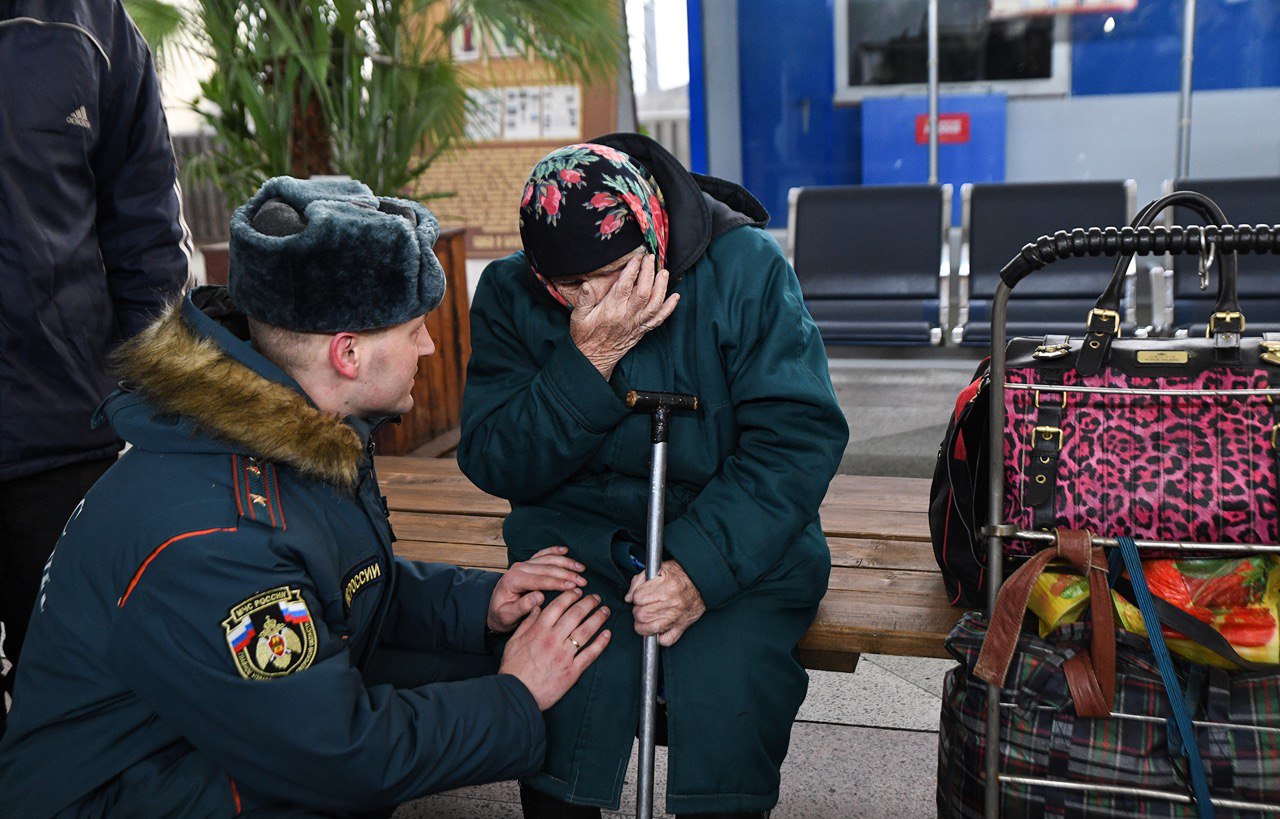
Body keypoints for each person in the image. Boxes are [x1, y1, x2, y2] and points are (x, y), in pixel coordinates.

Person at [0, 176, 611, 817]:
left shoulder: (293, 428)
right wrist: (516, 693)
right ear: (347, 353)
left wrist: (480, 605)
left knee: (493, 670)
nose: (430, 347)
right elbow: (340, 755)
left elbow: (341, 587)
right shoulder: (220, 535)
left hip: (180, 743)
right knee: (322, 791)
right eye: (415, 331)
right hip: (109, 794)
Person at [458, 134, 850, 818]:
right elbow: (496, 456)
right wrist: (586, 361)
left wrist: (697, 570)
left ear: (654, 231)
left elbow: (796, 440)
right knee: (558, 676)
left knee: (731, 687)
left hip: (739, 538)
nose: (592, 300)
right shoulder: (510, 292)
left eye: (611, 274)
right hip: (579, 536)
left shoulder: (747, 268)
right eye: (568, 287)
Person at [0, 1, 191, 723]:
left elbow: (147, 237)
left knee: (82, 700)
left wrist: (154, 413)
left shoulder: (94, 25)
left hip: (64, 433)